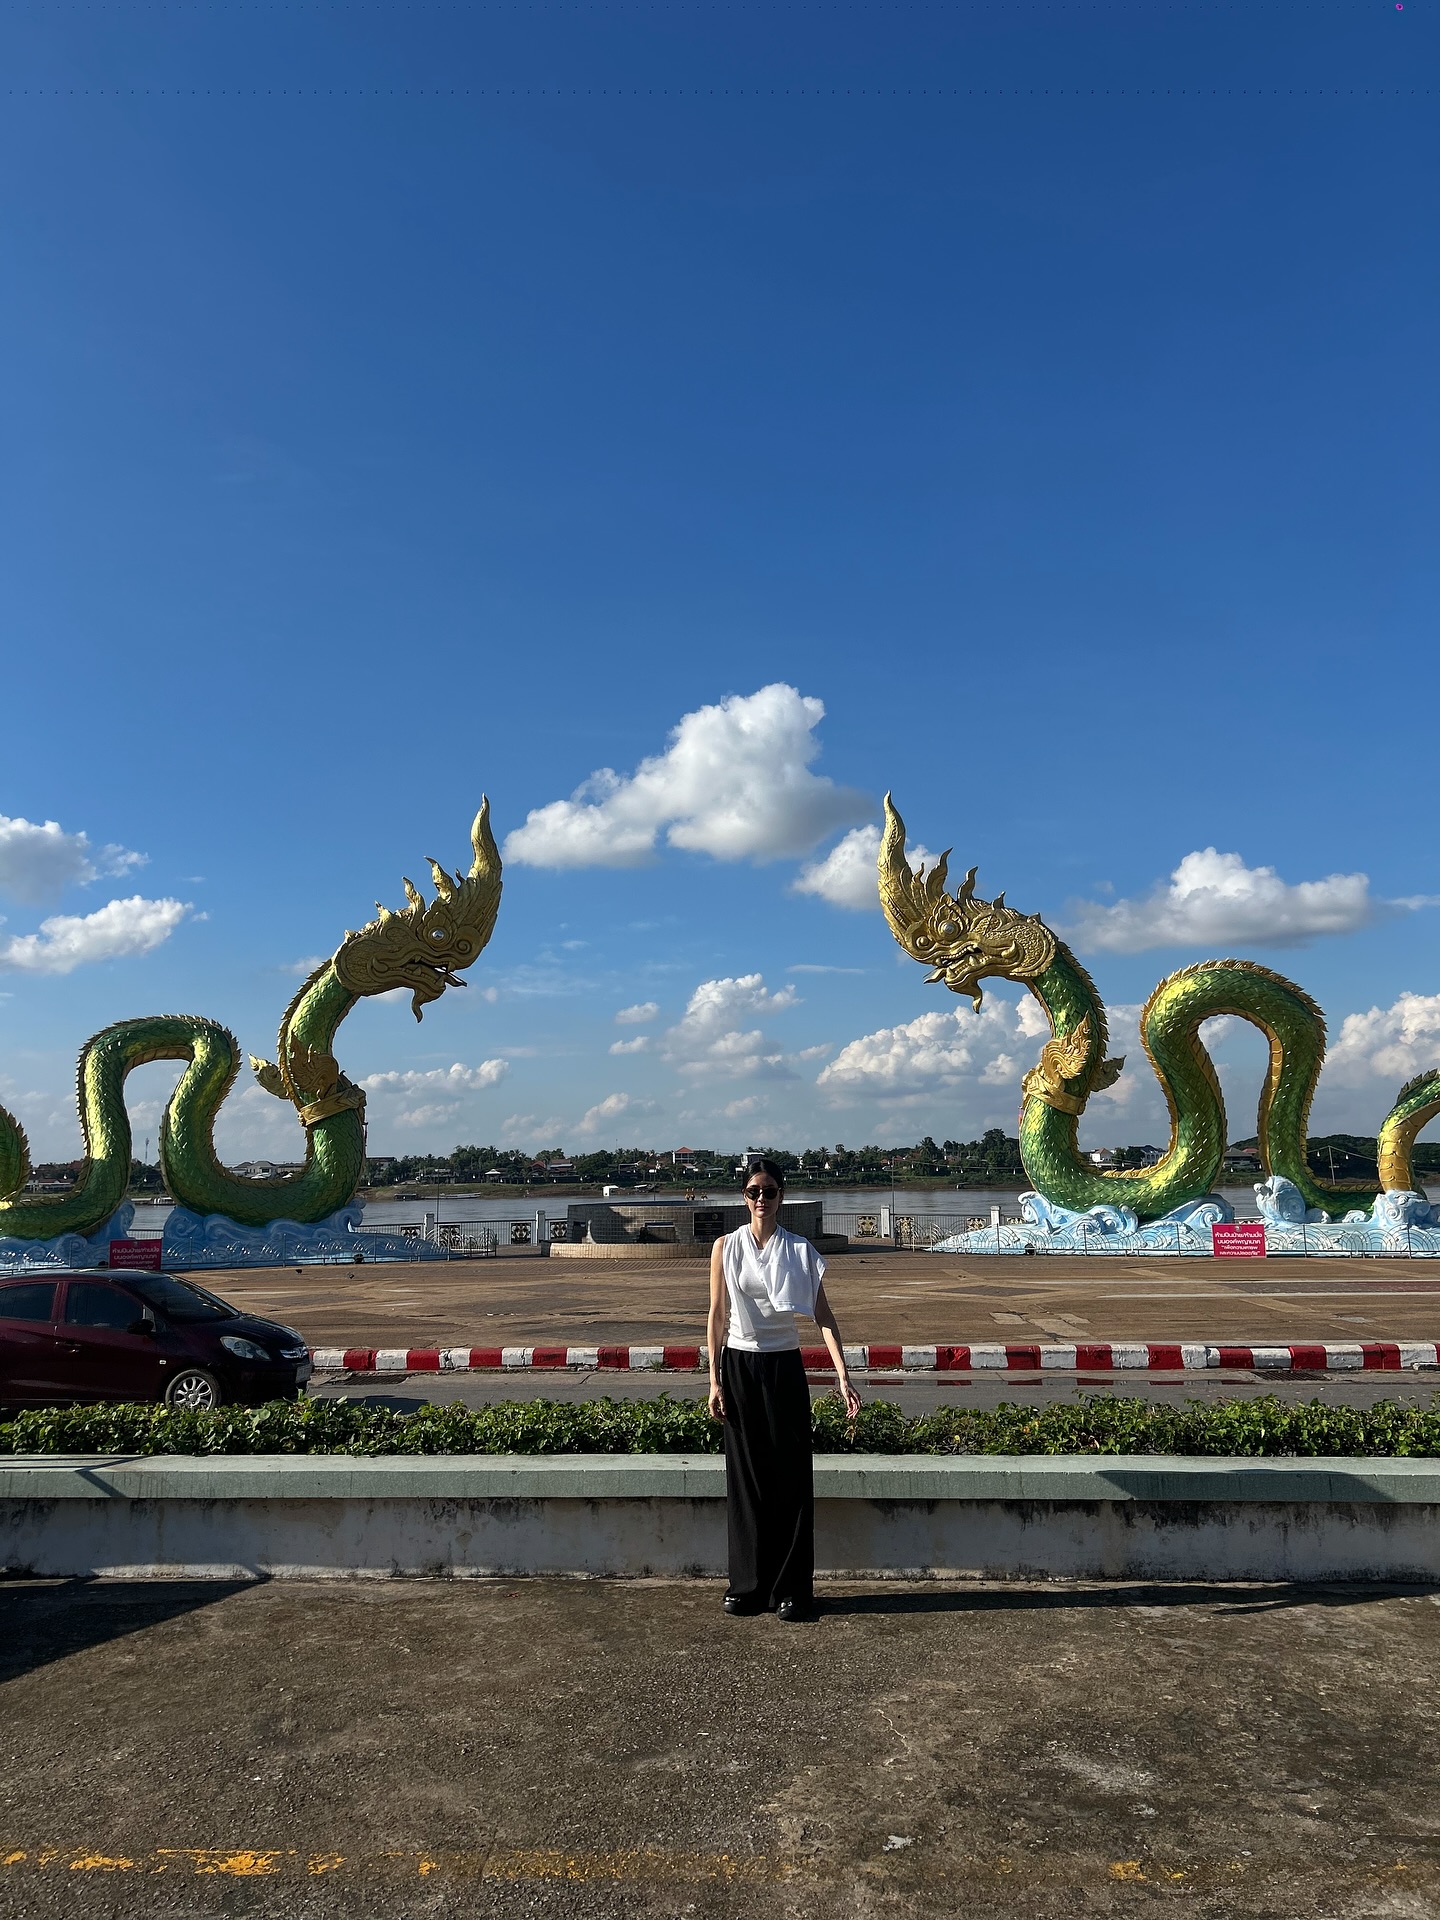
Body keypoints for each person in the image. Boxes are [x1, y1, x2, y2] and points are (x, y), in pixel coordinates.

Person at [707, 1157, 862, 1621]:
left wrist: (843, 1376)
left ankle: (793, 1589)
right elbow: (717, 1316)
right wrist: (714, 1379)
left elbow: (824, 1319)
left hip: (783, 1368)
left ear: (782, 1197)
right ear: (743, 1196)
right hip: (738, 1365)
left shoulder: (799, 1250)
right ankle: (748, 1584)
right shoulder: (725, 1247)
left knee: (791, 1478)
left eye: (770, 1191)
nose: (761, 1199)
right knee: (747, 1478)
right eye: (754, 1191)